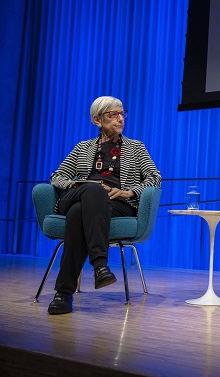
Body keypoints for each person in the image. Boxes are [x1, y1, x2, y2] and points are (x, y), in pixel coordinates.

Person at [47, 96, 161, 315]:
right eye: (113, 114)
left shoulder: (136, 148)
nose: (120, 119)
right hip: (79, 194)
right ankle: (99, 264)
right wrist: (74, 184)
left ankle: (63, 294)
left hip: (116, 203)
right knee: (92, 190)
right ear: (97, 120)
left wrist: (130, 192)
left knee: (78, 214)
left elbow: (154, 177)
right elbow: (57, 176)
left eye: (122, 114)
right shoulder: (82, 147)